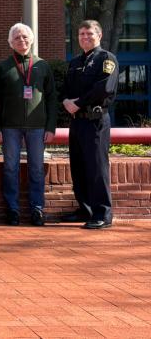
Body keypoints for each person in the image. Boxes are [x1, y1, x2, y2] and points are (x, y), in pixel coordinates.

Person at [0, 23, 57, 226]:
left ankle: (37, 208)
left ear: (31, 40)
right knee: (10, 168)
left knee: (37, 169)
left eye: (24, 37)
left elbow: (51, 98)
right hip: (10, 127)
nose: (21, 41)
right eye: (16, 38)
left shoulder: (42, 66)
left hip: (38, 127)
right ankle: (12, 209)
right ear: (10, 42)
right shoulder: (3, 67)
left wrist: (50, 127)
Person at [62, 20, 118, 229]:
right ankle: (85, 209)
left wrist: (78, 103)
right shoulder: (75, 61)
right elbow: (66, 87)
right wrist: (66, 101)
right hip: (76, 122)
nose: (85, 37)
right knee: (79, 167)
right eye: (81, 33)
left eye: (89, 34)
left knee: (96, 167)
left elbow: (103, 88)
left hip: (95, 121)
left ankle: (102, 213)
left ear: (99, 35)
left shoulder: (106, 59)